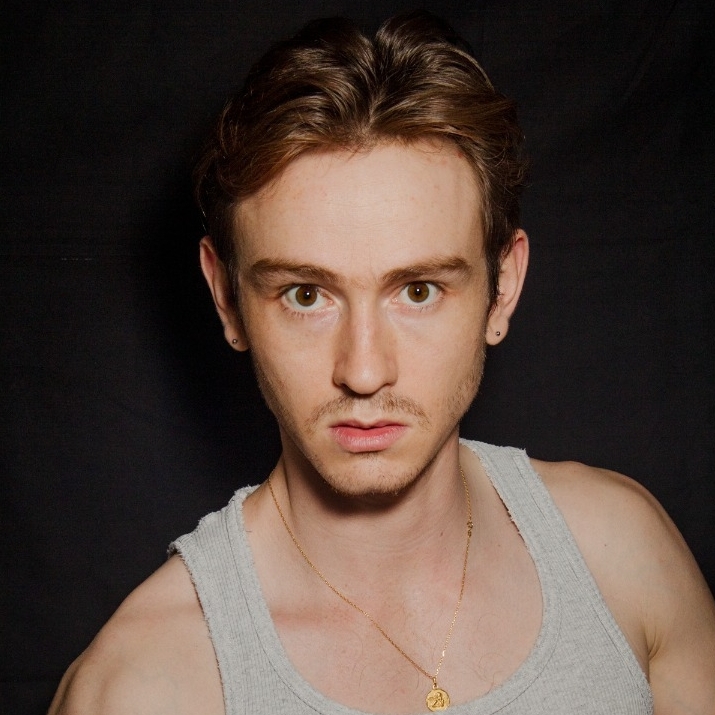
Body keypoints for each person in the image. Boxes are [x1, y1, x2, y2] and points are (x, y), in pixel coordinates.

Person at [49, 11, 715, 715]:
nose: (364, 372)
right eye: (306, 295)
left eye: (418, 290)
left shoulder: (621, 553)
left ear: (502, 288)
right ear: (226, 297)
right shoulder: (142, 685)